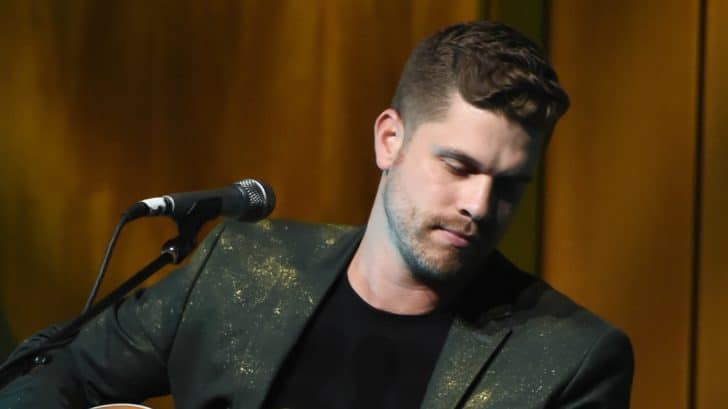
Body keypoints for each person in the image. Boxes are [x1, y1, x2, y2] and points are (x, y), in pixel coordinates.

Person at [0, 21, 633, 408]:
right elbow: (46, 370)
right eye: (458, 167)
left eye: (511, 186)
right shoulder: (243, 265)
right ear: (390, 140)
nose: (480, 205)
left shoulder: (570, 361)